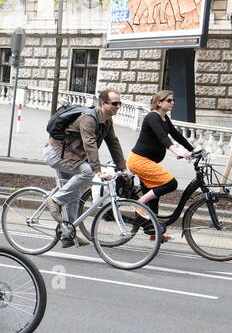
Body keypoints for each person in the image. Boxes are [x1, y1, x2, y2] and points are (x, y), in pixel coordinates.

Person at [43, 89, 128, 248]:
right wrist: (97, 170)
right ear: (103, 104)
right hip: (56, 153)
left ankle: (68, 233)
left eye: (120, 103)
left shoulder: (107, 121)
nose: (118, 106)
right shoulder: (88, 118)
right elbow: (90, 143)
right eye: (115, 103)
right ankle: (54, 200)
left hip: (71, 156)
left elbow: (114, 143)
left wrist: (123, 168)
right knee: (87, 172)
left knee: (74, 194)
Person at [128, 89, 194, 240]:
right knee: (171, 183)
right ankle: (138, 203)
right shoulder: (152, 117)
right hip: (139, 160)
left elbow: (177, 135)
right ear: (158, 102)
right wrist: (176, 152)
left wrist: (194, 149)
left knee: (153, 198)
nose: (173, 103)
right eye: (169, 100)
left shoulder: (164, 118)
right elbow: (163, 137)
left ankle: (154, 233)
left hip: (147, 161)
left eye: (173, 100)